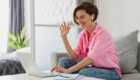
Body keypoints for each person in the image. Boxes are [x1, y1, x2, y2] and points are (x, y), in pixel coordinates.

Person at [51, 1, 121, 80]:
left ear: (92, 16)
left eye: (82, 17)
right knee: (63, 61)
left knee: (84, 71)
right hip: (92, 68)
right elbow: (74, 57)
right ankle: (73, 75)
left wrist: (68, 70)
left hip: (110, 71)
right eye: (77, 18)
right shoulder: (82, 35)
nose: (79, 21)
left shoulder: (102, 34)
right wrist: (64, 37)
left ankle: (73, 74)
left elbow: (90, 59)